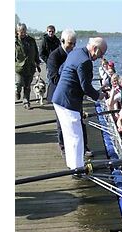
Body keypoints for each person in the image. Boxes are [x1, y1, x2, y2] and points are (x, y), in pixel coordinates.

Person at [52, 37, 107, 170]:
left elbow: (61, 70)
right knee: (76, 137)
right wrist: (99, 95)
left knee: (69, 136)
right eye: (101, 54)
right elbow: (86, 87)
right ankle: (78, 168)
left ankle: (73, 165)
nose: (100, 57)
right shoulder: (85, 61)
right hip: (68, 102)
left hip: (59, 99)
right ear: (95, 49)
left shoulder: (75, 53)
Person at [46, 29, 77, 157]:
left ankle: (83, 145)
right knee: (61, 121)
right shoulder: (54, 56)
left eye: (74, 44)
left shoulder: (74, 54)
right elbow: (53, 77)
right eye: (70, 43)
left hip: (71, 93)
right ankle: (63, 146)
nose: (72, 46)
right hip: (58, 93)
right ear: (62, 41)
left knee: (77, 119)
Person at [15, 23, 41, 110]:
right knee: (19, 83)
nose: (23, 33)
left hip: (30, 67)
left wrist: (37, 63)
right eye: (21, 31)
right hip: (19, 67)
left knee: (27, 86)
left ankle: (26, 102)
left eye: (24, 31)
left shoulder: (31, 40)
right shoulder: (15, 42)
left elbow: (36, 53)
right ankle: (17, 91)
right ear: (17, 31)